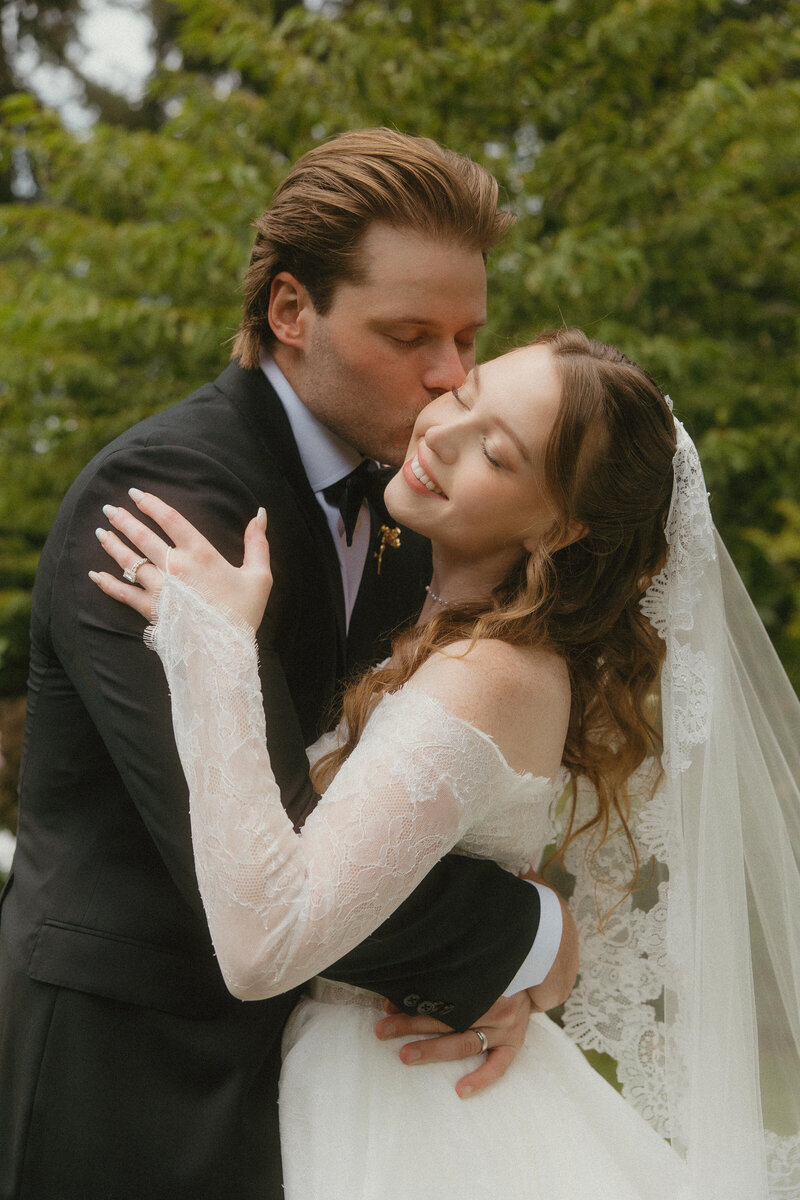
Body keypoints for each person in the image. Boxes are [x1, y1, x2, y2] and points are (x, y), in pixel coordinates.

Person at [94, 328, 800, 1200]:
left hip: (407, 1103)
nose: (441, 434)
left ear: (561, 527)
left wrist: (217, 645)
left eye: (497, 455)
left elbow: (263, 944)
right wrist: (531, 956)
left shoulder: (489, 674)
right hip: (364, 1074)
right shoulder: (437, 619)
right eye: (465, 397)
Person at [0, 130, 570, 1200]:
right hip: (128, 1080)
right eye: (409, 336)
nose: (450, 377)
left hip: (319, 1082)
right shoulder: (165, 501)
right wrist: (534, 941)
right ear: (291, 311)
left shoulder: (413, 506)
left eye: (466, 338)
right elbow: (277, 857)